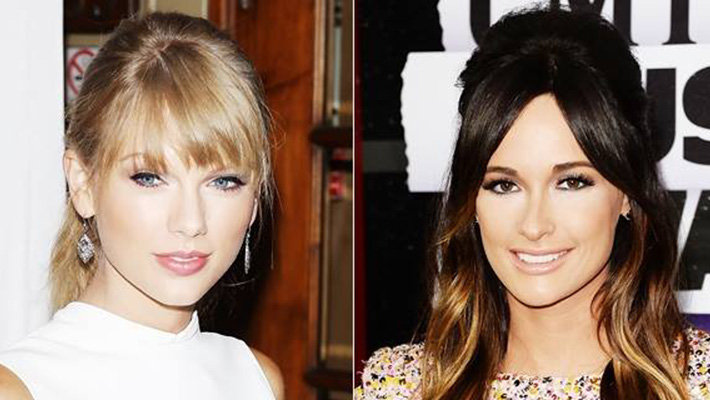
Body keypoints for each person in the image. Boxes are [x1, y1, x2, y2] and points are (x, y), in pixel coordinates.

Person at [356, 6, 710, 400]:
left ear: (626, 192)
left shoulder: (696, 384)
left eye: (571, 182)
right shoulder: (400, 387)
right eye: (504, 185)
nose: (535, 225)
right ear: (472, 200)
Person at [0, 12, 284, 400]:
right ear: (82, 183)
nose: (190, 221)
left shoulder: (257, 380)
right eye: (149, 178)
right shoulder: (20, 388)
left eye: (223, 182)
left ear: (254, 201)